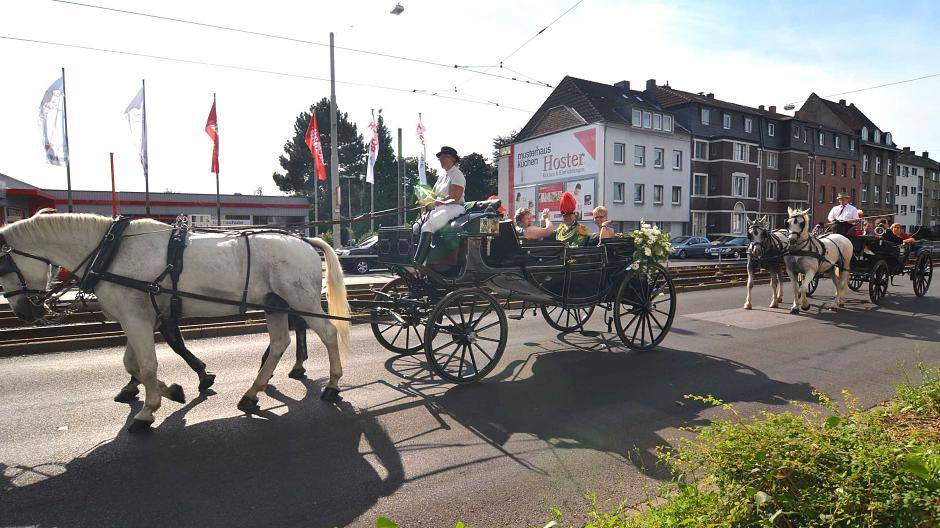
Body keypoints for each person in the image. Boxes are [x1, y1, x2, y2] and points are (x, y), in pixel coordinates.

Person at [414, 146, 466, 263]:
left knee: (427, 227)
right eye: (440, 158)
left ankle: (418, 262)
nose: (441, 160)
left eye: (444, 157)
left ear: (452, 159)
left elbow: (455, 197)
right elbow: (433, 195)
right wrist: (423, 201)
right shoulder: (442, 176)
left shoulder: (457, 174)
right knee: (415, 228)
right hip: (440, 208)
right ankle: (411, 258)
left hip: (454, 207)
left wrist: (437, 201)